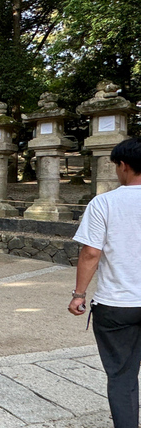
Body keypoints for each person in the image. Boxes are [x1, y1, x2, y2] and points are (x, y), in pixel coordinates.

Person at [69, 137, 141, 428]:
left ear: (123, 166)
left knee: (122, 376)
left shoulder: (104, 203)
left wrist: (79, 294)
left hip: (117, 304)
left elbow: (91, 253)